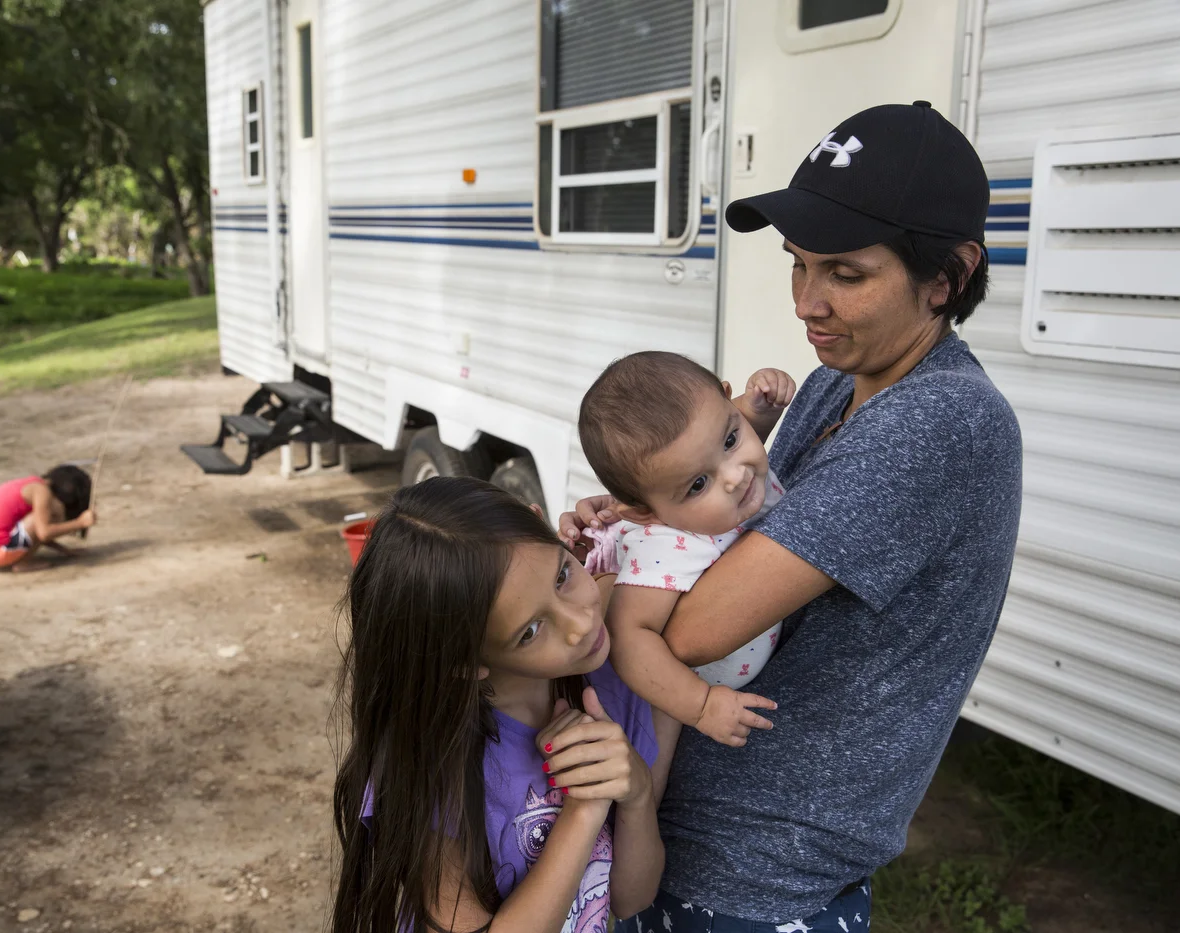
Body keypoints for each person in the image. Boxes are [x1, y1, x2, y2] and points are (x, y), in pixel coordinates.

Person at [562, 102, 1023, 931]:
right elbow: (722, 526)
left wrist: (639, 555)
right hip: (686, 834)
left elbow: (696, 627)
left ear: (947, 276)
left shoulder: (942, 418)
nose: (808, 302)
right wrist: (633, 523)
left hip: (758, 869)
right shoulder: (830, 387)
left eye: (845, 273)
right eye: (797, 264)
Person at [331, 476, 680, 933]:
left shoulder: (618, 684)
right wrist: (584, 809)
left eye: (562, 575)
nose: (580, 623)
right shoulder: (433, 762)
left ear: (543, 524)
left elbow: (632, 897)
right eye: (530, 632)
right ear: (462, 662)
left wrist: (634, 794)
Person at [577, 354, 796, 746]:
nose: (735, 476)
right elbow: (628, 639)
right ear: (646, 513)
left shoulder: (729, 474)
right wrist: (700, 705)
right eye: (698, 484)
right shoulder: (666, 548)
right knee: (651, 778)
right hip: (669, 701)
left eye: (731, 440)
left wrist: (761, 410)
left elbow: (723, 440)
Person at [0, 465, 96, 570]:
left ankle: (19, 556)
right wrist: (80, 523)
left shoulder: (32, 484)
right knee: (44, 520)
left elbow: (34, 534)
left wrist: (64, 550)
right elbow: (44, 533)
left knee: (40, 517)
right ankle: (24, 563)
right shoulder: (43, 493)